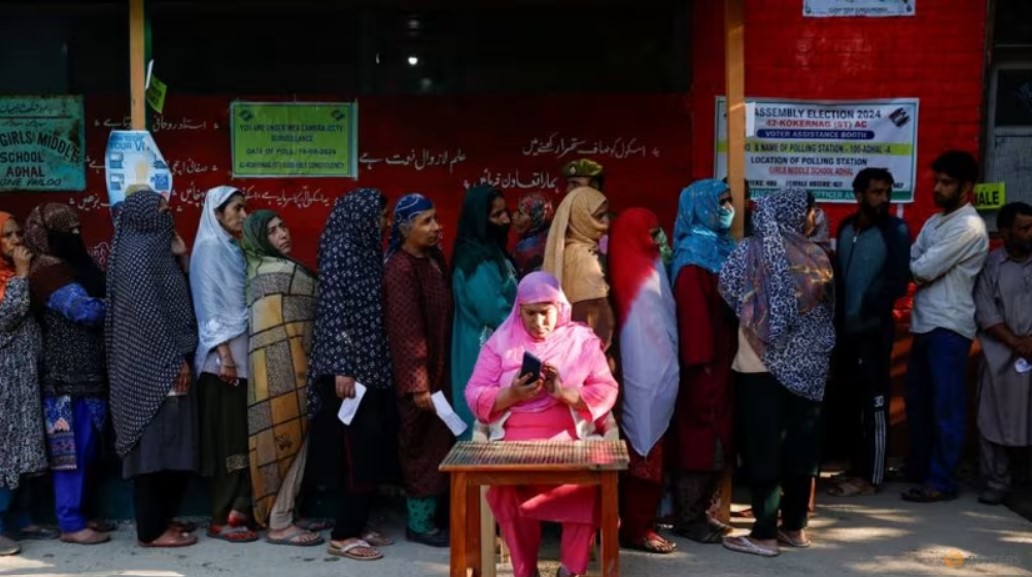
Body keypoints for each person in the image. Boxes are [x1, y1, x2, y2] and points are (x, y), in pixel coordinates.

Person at [465, 271, 619, 577]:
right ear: (519, 311)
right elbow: (474, 392)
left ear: (559, 308)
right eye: (530, 313)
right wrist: (512, 394)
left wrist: (564, 393)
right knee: (506, 491)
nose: (538, 322)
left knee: (586, 488)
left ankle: (571, 570)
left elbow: (606, 388)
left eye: (545, 312)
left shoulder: (582, 341)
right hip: (513, 443)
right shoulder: (500, 343)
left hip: (569, 439)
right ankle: (525, 571)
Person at [719, 189, 835, 558]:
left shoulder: (748, 252)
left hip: (759, 362)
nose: (815, 216)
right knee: (801, 444)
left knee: (764, 445)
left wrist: (761, 321)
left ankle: (765, 533)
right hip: (808, 366)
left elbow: (728, 292)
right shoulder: (818, 255)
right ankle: (795, 526)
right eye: (811, 210)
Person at [307, 189, 398, 560]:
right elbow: (334, 311)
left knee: (370, 449)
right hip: (348, 373)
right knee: (357, 451)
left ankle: (357, 523)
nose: (385, 223)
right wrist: (342, 366)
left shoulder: (366, 250)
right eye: (381, 216)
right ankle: (344, 534)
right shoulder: (340, 250)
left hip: (370, 367)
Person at [107, 190, 199, 548]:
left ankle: (161, 518)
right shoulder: (139, 256)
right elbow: (148, 316)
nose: (168, 217)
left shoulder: (155, 252)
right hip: (152, 369)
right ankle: (151, 530)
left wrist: (182, 257)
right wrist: (174, 360)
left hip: (163, 362)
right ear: (145, 217)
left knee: (172, 446)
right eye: (162, 212)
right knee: (155, 450)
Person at [903, 151, 989, 503]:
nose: (938, 188)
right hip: (925, 323)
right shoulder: (935, 221)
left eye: (947, 183)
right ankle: (921, 470)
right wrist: (921, 265)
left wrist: (922, 265)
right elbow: (913, 259)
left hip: (950, 326)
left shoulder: (969, 226)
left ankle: (942, 481)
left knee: (946, 407)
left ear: (966, 187)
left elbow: (921, 269)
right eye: (937, 181)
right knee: (919, 404)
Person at [23, 203, 111, 546]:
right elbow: (82, 310)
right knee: (69, 453)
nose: (75, 236)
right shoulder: (47, 271)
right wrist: (120, 305)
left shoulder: (69, 266)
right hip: (64, 377)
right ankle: (70, 523)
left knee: (87, 450)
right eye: (67, 232)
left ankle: (80, 513)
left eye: (77, 230)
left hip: (87, 374)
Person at [239, 210, 322, 546]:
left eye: (282, 227)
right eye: (272, 231)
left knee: (279, 440)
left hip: (268, 369)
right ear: (259, 240)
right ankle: (280, 521)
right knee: (291, 439)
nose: (282, 234)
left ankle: (283, 511)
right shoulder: (281, 273)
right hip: (284, 369)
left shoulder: (253, 272)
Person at [828, 168, 911, 497]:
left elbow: (898, 281)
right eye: (876, 192)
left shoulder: (896, 231)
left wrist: (869, 307)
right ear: (859, 195)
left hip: (874, 332)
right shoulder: (846, 227)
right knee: (850, 402)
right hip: (844, 333)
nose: (883, 199)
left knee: (875, 403)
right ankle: (855, 468)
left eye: (887, 192)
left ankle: (873, 477)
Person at [667, 179, 738, 543]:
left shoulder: (723, 247)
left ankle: (703, 513)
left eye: (729, 201)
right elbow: (693, 315)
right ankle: (688, 517)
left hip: (723, 359)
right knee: (700, 436)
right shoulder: (693, 255)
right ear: (701, 206)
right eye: (721, 202)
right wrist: (702, 361)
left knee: (719, 435)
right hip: (704, 364)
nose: (728, 209)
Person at [383, 193, 454, 548]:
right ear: (404, 228)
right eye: (426, 221)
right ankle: (419, 524)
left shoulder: (434, 259)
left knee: (439, 443)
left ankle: (436, 518)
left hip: (440, 369)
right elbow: (405, 331)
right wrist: (418, 385)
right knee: (419, 447)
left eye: (435, 218)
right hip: (419, 380)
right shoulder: (401, 269)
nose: (436, 227)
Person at [607, 208, 679, 554]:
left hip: (657, 372)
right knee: (641, 447)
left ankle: (639, 522)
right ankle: (636, 526)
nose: (658, 239)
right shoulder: (630, 271)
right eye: (652, 233)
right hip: (640, 376)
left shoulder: (650, 264)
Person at [189, 186, 257, 542]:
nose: (244, 215)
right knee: (228, 441)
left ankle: (239, 508)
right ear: (216, 213)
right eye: (237, 209)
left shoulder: (231, 248)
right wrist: (226, 357)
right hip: (223, 364)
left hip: (242, 358)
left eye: (245, 209)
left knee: (242, 437)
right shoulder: (209, 249)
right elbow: (208, 305)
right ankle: (221, 517)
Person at [973, 202, 1032, 506]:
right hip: (1000, 356)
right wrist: (1017, 343)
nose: (1031, 233)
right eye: (1025, 228)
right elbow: (986, 312)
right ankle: (997, 481)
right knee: (993, 419)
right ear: (1006, 232)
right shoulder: (991, 266)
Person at [0, 212, 51, 556]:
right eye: (7, 235)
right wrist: (20, 276)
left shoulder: (15, 273)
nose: (16, 240)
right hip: (5, 380)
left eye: (18, 233)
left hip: (24, 376)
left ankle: (21, 518)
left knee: (25, 449)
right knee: (4, 453)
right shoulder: (11, 276)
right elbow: (5, 319)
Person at [451, 184, 518, 436]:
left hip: (498, 344)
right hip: (482, 348)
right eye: (496, 215)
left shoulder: (491, 251)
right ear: (480, 220)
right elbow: (494, 312)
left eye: (505, 212)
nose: (506, 220)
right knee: (483, 425)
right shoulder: (475, 263)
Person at [541, 187, 614, 351]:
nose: (606, 222)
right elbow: (596, 318)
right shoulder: (582, 258)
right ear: (580, 218)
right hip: (588, 351)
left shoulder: (568, 250)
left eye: (606, 215)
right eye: (599, 216)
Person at [511, 192, 555, 277]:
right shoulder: (553, 238)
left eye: (520, 213)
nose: (514, 217)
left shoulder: (525, 248)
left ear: (535, 219)